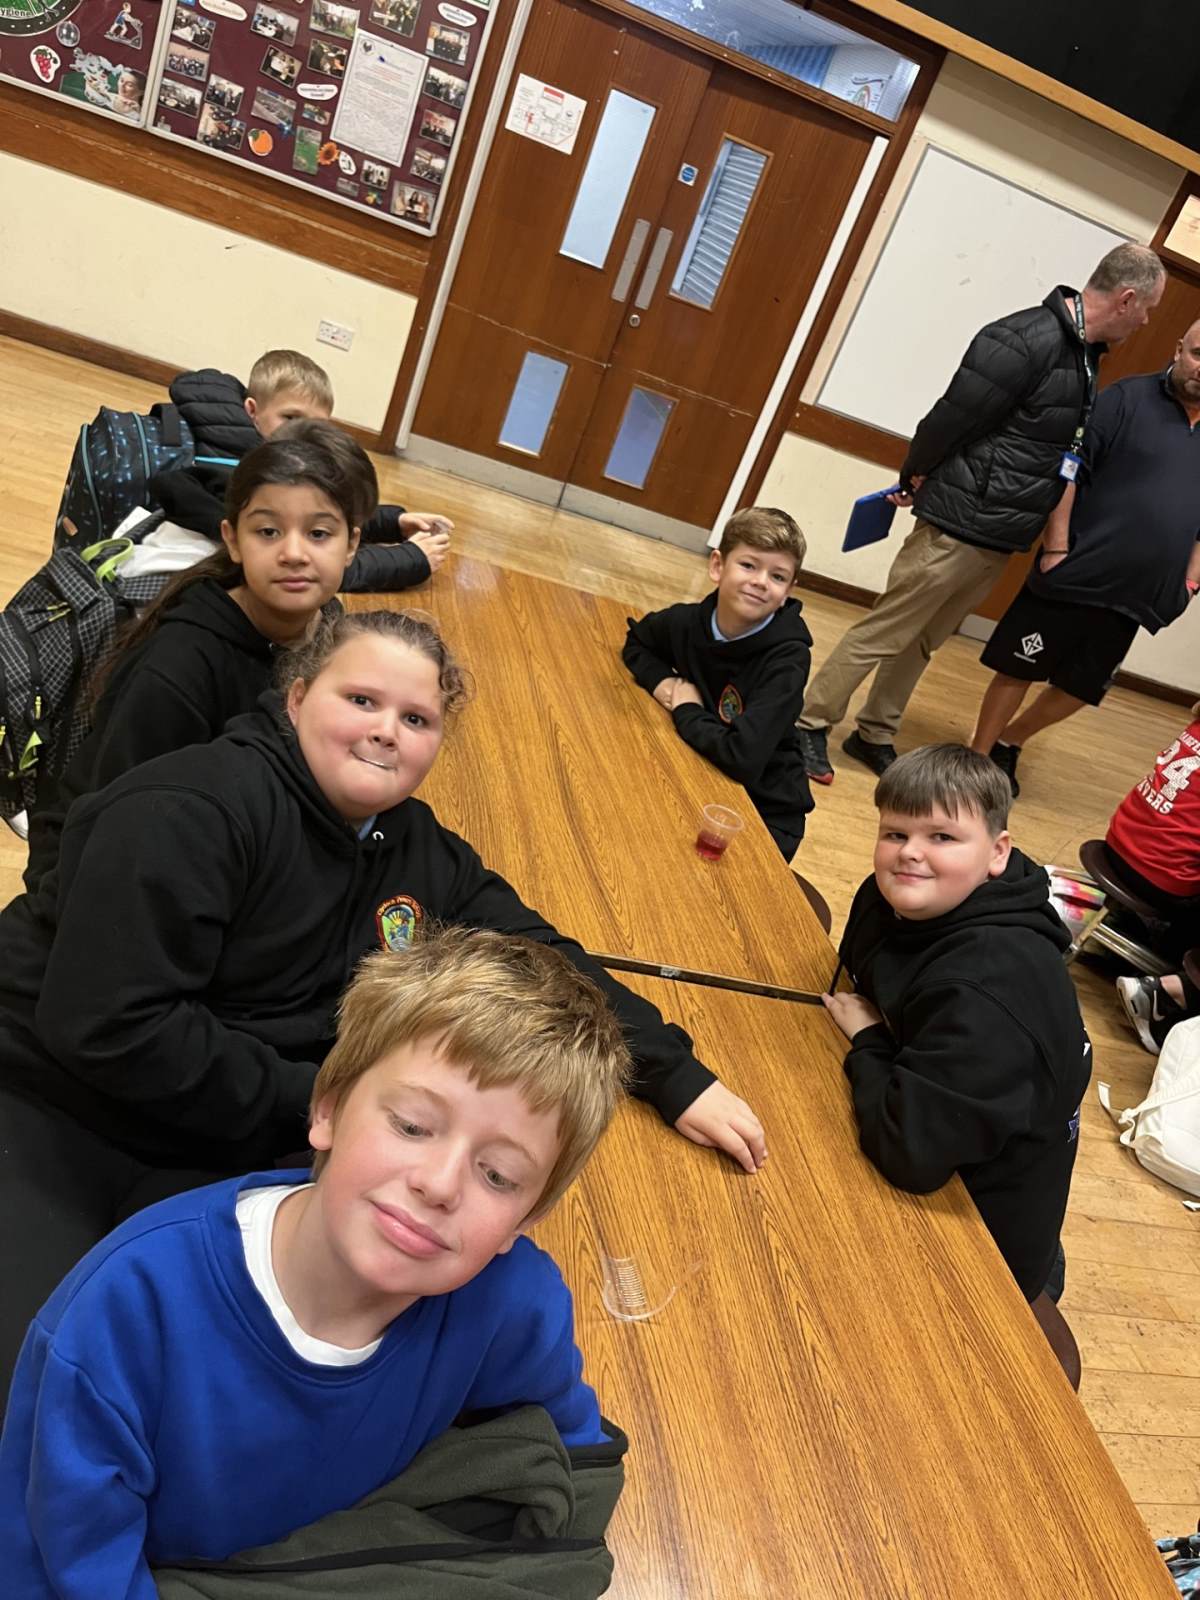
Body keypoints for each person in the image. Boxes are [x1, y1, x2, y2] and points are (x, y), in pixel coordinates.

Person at [0, 610, 765, 1388]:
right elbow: (113, 1028)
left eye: (416, 718)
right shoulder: (191, 809)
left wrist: (674, 1075)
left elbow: (541, 954)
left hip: (218, 1138)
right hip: (56, 1106)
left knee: (217, 1381)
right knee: (35, 1379)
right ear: (297, 698)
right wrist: (335, 1101)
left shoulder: (415, 849)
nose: (386, 731)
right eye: (361, 700)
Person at [0, 926, 628, 1590]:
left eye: (498, 1175)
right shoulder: (126, 1314)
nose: (439, 1185)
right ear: (327, 1109)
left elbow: (573, 1466)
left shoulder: (513, 1304)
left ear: (524, 1222)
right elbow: (61, 1558)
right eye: (412, 1126)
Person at [796, 243, 1165, 786]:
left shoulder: (1084, 354)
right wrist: (914, 474)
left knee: (925, 639)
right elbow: (951, 418)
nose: (1147, 321)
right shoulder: (1024, 338)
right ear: (1127, 299)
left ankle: (873, 731)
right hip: (958, 522)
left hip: (998, 532)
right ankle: (809, 722)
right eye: (1148, 309)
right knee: (887, 630)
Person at [22, 421, 365, 891]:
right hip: (114, 866)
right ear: (233, 539)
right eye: (268, 531)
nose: (294, 553)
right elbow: (122, 821)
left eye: (319, 533)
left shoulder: (327, 623)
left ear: (352, 545)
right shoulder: (180, 664)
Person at [822, 744, 1092, 1305]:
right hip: (947, 1121)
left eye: (942, 837)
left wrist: (869, 1039)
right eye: (895, 833)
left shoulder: (988, 991)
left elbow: (909, 1155)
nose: (909, 853)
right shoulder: (894, 896)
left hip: (979, 1240)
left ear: (997, 852)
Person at [972, 323, 1200, 795]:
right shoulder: (1126, 399)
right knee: (1019, 667)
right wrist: (1056, 547)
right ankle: (976, 760)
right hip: (1075, 571)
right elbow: (1068, 471)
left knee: (1081, 688)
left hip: (1139, 593)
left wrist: (1190, 582)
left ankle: (1010, 741)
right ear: (1180, 348)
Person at [151, 348, 452, 591]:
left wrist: (394, 522)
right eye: (291, 418)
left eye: (317, 425)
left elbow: (313, 515)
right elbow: (306, 567)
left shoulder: (231, 439)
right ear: (252, 410)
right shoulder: (248, 469)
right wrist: (409, 559)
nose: (303, 435)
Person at [622, 506, 813, 861]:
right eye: (749, 565)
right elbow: (637, 642)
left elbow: (743, 757)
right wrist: (664, 684)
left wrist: (686, 709)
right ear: (717, 566)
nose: (761, 581)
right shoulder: (688, 621)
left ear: (788, 591)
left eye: (777, 576)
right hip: (703, 771)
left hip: (763, 810)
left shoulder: (788, 660)